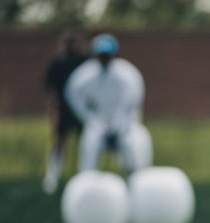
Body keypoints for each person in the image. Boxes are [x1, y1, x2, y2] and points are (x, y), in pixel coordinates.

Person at [63, 33, 150, 175]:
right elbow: (73, 96)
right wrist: (90, 118)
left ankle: (135, 179)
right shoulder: (84, 75)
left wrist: (124, 121)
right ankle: (87, 181)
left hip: (122, 124)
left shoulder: (127, 74)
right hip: (98, 122)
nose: (104, 58)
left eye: (107, 55)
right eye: (101, 54)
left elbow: (134, 99)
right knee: (90, 144)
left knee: (133, 145)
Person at [41, 32, 87, 193]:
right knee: (59, 142)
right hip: (63, 108)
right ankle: (52, 176)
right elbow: (51, 89)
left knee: (85, 143)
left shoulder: (84, 62)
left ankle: (84, 176)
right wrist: (52, 109)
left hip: (82, 110)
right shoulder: (57, 63)